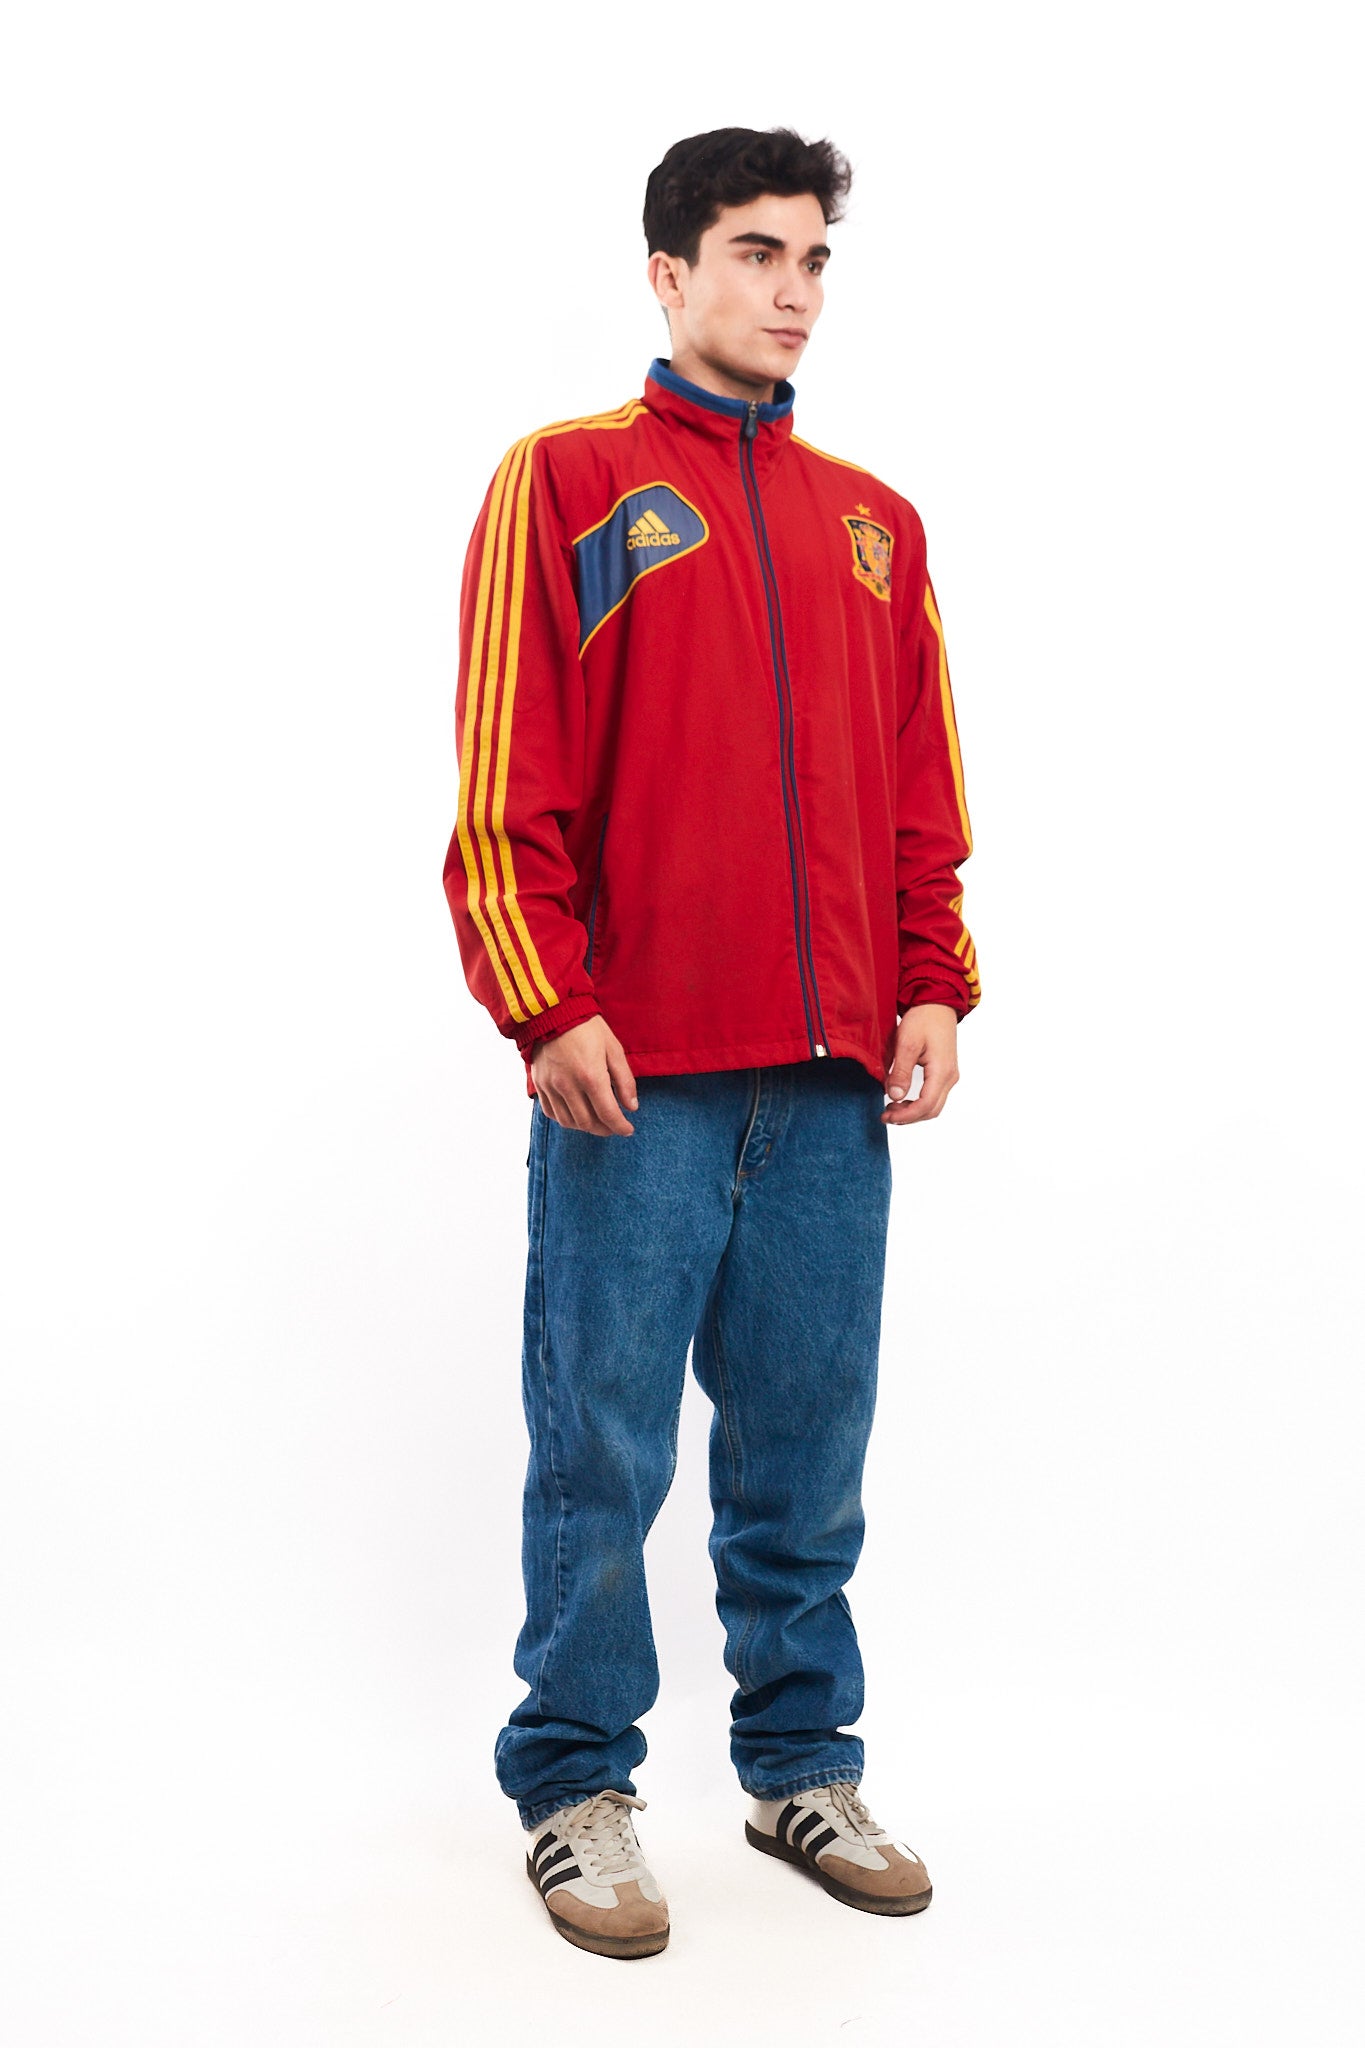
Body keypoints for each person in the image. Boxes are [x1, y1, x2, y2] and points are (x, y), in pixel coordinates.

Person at [442, 125, 980, 1960]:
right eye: (756, 253)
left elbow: (918, 789)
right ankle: (574, 1782)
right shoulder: (570, 482)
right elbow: (503, 771)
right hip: (638, 1075)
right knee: (599, 1449)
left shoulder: (873, 525)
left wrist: (929, 978)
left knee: (806, 1450)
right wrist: (547, 998)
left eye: (814, 259)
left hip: (830, 1082)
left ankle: (798, 1767)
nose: (793, 290)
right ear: (668, 273)